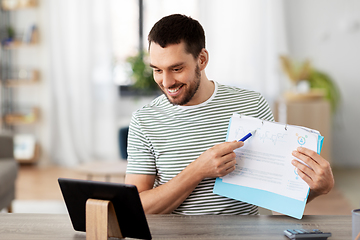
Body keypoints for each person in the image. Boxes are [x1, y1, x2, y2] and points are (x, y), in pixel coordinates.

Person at [125, 14, 334, 215]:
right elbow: (135, 207)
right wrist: (198, 170)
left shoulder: (252, 105)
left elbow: (278, 194)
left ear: (202, 59)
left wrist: (316, 188)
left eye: (177, 68)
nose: (167, 82)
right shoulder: (144, 120)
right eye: (157, 70)